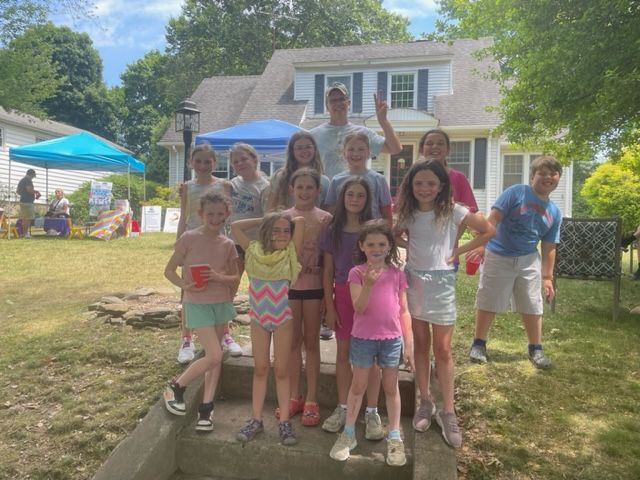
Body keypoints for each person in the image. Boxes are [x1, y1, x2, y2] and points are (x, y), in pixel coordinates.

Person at [395, 160, 494, 448]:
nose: (424, 189)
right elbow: (395, 234)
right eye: (418, 184)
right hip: (414, 281)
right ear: (411, 187)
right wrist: (406, 248)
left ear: (441, 186)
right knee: (421, 344)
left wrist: (457, 250)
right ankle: (425, 401)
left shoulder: (454, 211)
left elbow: (488, 231)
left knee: (444, 349)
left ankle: (448, 410)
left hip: (442, 285)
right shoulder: (408, 212)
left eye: (430, 183)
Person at [329, 219, 414, 467]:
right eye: (371, 244)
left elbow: (404, 310)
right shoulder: (356, 273)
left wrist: (408, 343)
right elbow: (359, 307)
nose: (376, 249)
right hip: (363, 338)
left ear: (389, 246)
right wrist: (368, 284)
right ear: (362, 246)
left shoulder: (397, 274)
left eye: (381, 244)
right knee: (358, 386)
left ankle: (395, 436)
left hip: (391, 339)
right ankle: (348, 434)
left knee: (391, 387)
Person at [469, 155, 563, 369]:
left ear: (558, 179)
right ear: (532, 177)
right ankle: (478, 344)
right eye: (543, 173)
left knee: (532, 303)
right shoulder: (516, 192)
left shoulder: (554, 212)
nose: (548, 177)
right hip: (497, 255)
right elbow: (492, 220)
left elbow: (549, 246)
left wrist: (547, 277)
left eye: (553, 174)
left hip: (528, 259)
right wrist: (481, 244)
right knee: (488, 299)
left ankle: (536, 349)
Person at [162, 192, 239, 432]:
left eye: (220, 214)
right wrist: (185, 286)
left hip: (220, 302)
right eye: (210, 214)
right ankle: (176, 386)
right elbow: (170, 271)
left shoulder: (227, 244)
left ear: (227, 214)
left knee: (214, 359)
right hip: (197, 304)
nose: (215, 218)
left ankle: (206, 409)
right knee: (215, 354)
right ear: (201, 214)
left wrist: (218, 277)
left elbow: (235, 277)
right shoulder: (189, 238)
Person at [231, 212, 305, 446]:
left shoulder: (289, 253)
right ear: (266, 232)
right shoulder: (253, 251)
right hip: (258, 319)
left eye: (286, 230)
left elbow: (300, 222)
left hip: (282, 318)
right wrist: (266, 220)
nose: (282, 234)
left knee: (281, 370)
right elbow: (235, 226)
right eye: (276, 230)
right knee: (260, 368)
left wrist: (282, 219)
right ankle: (256, 419)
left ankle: (284, 421)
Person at [320, 176, 384, 439]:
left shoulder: (374, 229)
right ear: (342, 198)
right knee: (343, 353)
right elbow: (327, 272)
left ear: (368, 199)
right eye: (350, 195)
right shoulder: (332, 229)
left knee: (372, 356)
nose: (355, 200)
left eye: (360, 195)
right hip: (343, 294)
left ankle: (371, 411)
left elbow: (386, 262)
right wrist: (330, 306)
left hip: (371, 293)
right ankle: (343, 406)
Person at [275, 168, 332, 426]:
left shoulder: (325, 219)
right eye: (300, 187)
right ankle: (294, 395)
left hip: (314, 288)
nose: (305, 192)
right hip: (288, 288)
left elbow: (328, 259)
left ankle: (311, 397)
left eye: (310, 187)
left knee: (312, 342)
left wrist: (326, 291)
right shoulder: (283, 217)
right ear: (291, 189)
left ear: (318, 190)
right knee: (292, 342)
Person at [175, 143, 240, 364]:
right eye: (198, 161)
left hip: (218, 243)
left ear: (215, 163)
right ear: (191, 163)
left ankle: (225, 334)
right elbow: (183, 215)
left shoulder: (225, 185)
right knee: (190, 292)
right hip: (193, 244)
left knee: (222, 289)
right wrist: (178, 245)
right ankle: (186, 339)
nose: (203, 165)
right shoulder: (187, 187)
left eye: (208, 161)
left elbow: (229, 215)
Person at [310, 82, 402, 180]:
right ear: (327, 107)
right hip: (328, 194)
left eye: (341, 99)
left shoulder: (362, 134)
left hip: (357, 192)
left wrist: (383, 121)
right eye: (333, 101)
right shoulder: (314, 135)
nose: (338, 103)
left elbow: (395, 149)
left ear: (348, 103)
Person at [323, 132, 393, 226]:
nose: (356, 153)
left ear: (369, 152)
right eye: (351, 149)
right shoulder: (337, 180)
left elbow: (386, 212)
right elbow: (330, 210)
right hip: (344, 231)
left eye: (361, 149)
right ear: (344, 153)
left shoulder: (378, 179)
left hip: (372, 233)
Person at [228, 142, 270, 294]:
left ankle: (259, 316)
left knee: (259, 287)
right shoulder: (231, 184)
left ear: (254, 159)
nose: (240, 163)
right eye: (235, 162)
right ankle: (224, 318)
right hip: (234, 243)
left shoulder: (264, 186)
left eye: (243, 159)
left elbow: (269, 218)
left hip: (256, 245)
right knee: (230, 285)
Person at [267, 131, 330, 211]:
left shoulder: (324, 181)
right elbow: (270, 210)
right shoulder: (280, 176)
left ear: (314, 149)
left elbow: (325, 213)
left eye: (308, 147)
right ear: (292, 151)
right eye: (299, 148)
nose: (304, 151)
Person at [418, 129, 478, 212]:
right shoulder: (412, 177)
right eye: (429, 143)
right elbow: (400, 209)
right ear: (421, 150)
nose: (435, 146)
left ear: (448, 150)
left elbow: (471, 211)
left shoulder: (459, 178)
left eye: (440, 143)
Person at [16, 169, 40, 238]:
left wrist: (24, 194)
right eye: (33, 176)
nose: (33, 177)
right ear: (31, 174)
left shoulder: (22, 180)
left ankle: (24, 233)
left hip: (22, 201)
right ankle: (25, 234)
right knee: (28, 218)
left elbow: (17, 191)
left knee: (24, 218)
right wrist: (36, 192)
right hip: (28, 202)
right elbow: (29, 190)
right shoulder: (28, 180)